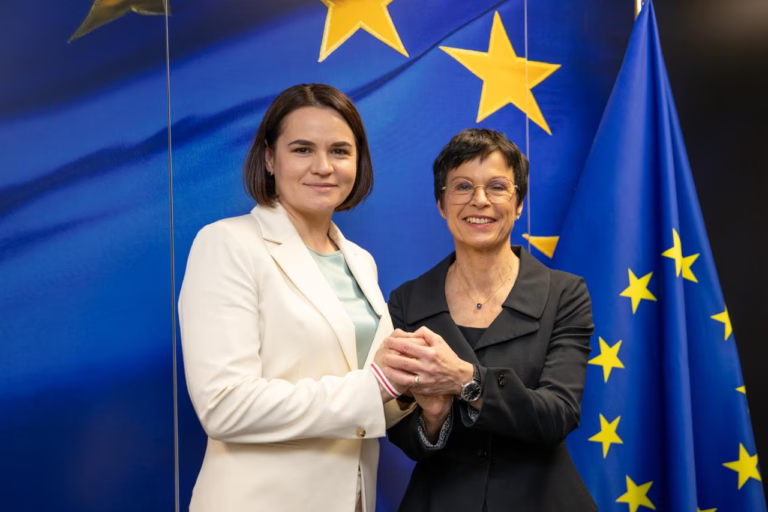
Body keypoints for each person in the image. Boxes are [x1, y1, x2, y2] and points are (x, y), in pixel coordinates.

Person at [178, 84, 412, 512]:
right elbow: (225, 406)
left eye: (340, 151)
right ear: (269, 158)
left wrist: (413, 389)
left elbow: (365, 402)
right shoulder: (227, 244)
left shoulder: (360, 261)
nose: (323, 167)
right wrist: (376, 385)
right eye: (303, 149)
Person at [383, 128, 597, 511]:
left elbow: (558, 416)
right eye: (462, 186)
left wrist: (466, 381)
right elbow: (404, 438)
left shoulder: (565, 294)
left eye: (497, 187)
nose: (479, 200)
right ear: (441, 203)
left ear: (519, 204)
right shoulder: (406, 302)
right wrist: (433, 416)